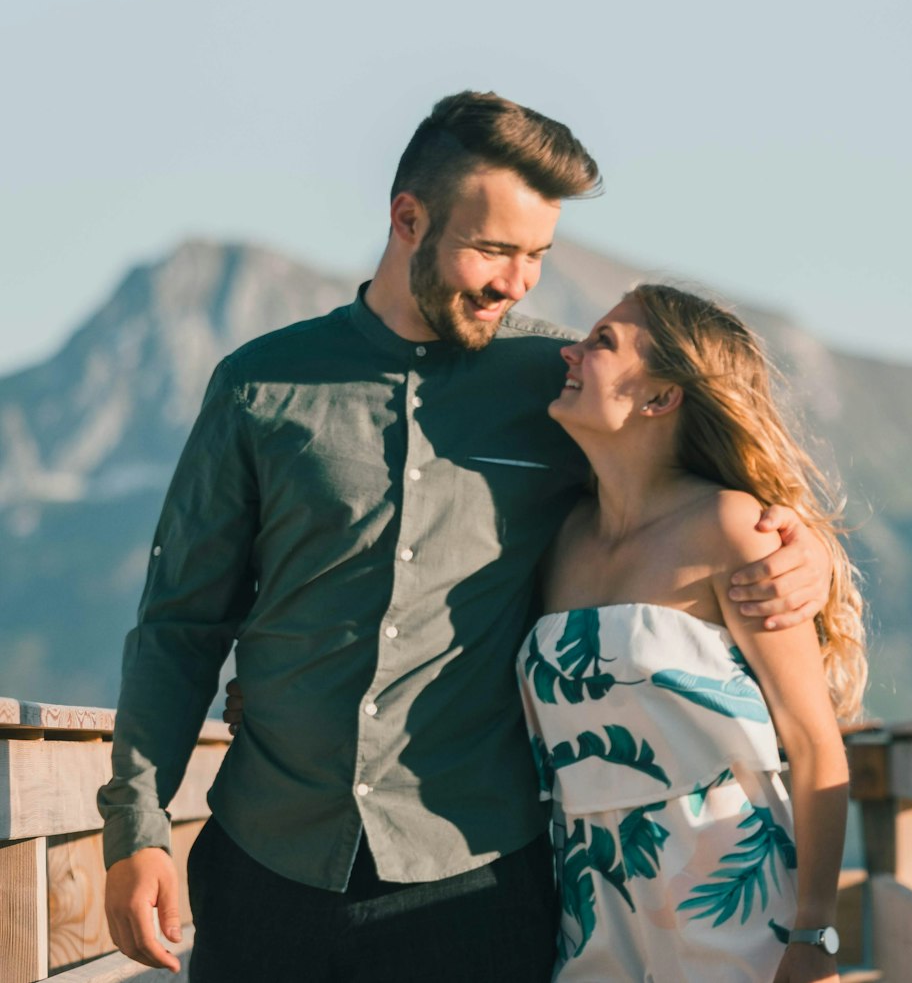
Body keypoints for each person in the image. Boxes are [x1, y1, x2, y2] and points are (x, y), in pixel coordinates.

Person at [98, 92, 832, 982]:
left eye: (537, 256)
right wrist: (136, 828)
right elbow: (180, 626)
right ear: (408, 219)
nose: (517, 282)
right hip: (265, 865)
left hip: (477, 884)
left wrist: (806, 547)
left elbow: (691, 470)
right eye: (494, 249)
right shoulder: (261, 386)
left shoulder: (557, 385)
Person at [518, 285, 865, 982]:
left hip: (729, 892)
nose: (571, 351)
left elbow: (813, 740)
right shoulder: (560, 540)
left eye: (603, 342)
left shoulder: (733, 527)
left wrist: (814, 933)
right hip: (593, 907)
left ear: (659, 397)